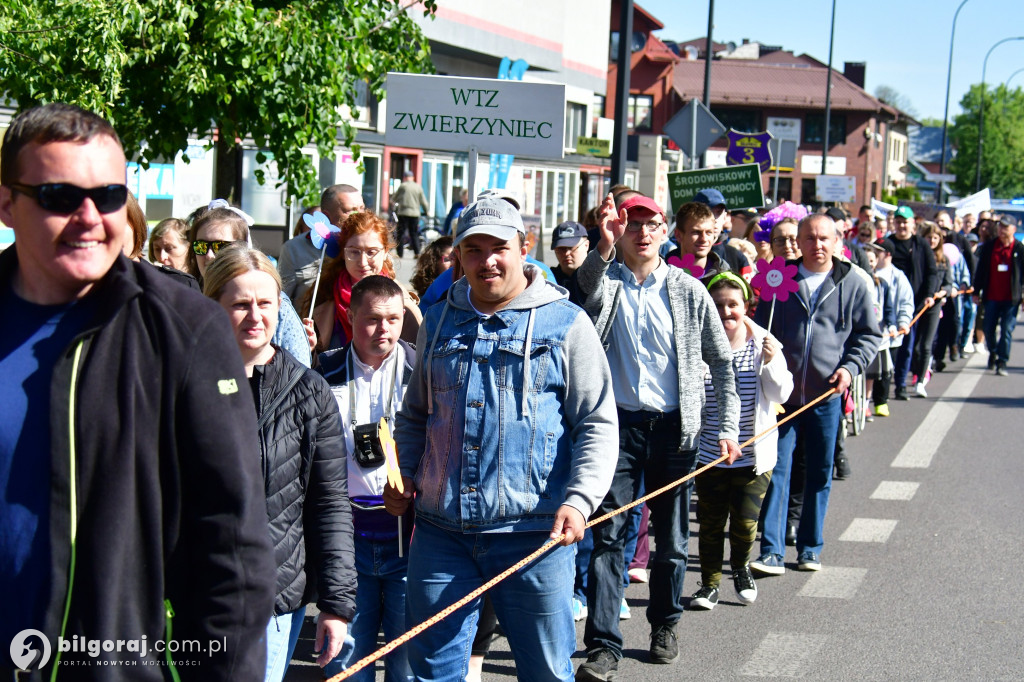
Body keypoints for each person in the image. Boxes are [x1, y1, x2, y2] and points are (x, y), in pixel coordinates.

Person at [0, 102, 275, 679]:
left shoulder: (184, 328)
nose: (89, 217)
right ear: (7, 202)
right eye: (58, 197)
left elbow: (230, 550)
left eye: (107, 196)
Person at [385, 198, 618, 681]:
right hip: (440, 531)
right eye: (473, 250)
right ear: (458, 256)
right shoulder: (439, 321)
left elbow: (597, 421)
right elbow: (414, 416)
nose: (487, 260)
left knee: (546, 673)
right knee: (432, 672)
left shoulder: (568, 323)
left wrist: (580, 501)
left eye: (499, 248)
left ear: (524, 248)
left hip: (534, 535)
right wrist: (404, 473)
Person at [575, 192, 740, 680]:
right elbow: (584, 292)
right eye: (632, 224)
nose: (642, 232)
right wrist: (602, 246)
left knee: (670, 539)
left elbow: (722, 366)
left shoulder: (689, 290)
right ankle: (603, 644)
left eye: (652, 224)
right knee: (608, 535)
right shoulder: (606, 281)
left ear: (666, 232)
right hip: (618, 429)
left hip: (674, 431)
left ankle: (665, 624)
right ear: (619, 231)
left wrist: (726, 426)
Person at [203, 246, 354, 682]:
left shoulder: (310, 393)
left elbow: (330, 504)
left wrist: (336, 604)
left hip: (272, 599)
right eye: (240, 304)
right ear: (213, 307)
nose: (255, 316)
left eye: (265, 303)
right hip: (193, 594)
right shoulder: (180, 381)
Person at [750, 214, 880, 576]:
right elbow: (761, 328)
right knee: (777, 471)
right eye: (809, 238)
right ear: (799, 241)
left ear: (838, 241)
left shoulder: (854, 281)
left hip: (826, 396)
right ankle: (772, 551)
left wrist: (849, 369)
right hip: (782, 398)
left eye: (824, 238)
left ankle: (810, 548)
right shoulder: (780, 277)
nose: (816, 245)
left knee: (819, 473)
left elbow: (869, 336)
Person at [318, 275, 415, 681]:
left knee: (407, 662)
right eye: (373, 319)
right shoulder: (323, 371)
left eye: (394, 319)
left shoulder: (421, 368)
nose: (385, 330)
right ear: (350, 315)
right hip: (349, 537)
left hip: (407, 535)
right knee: (347, 664)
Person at [690, 272, 793, 611]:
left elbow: (782, 394)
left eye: (733, 304)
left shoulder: (762, 341)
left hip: (753, 455)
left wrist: (771, 362)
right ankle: (708, 584)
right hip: (710, 453)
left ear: (746, 305)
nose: (725, 312)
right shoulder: (697, 344)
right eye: (717, 305)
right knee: (710, 523)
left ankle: (740, 567)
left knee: (746, 524)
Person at [186, 200, 313, 366]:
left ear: (242, 246)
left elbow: (300, 375)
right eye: (201, 246)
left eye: (219, 246)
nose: (209, 255)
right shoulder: (185, 300)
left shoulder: (273, 303)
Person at [305, 211, 421, 352]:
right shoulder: (323, 294)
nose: (362, 262)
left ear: (385, 252)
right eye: (354, 252)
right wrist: (308, 347)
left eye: (371, 252)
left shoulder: (403, 303)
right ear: (343, 253)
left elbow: (415, 362)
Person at [885, 206, 937, 400]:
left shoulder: (920, 244)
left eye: (905, 221)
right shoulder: (887, 243)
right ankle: (884, 380)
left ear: (912, 224)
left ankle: (900, 385)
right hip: (888, 301)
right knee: (888, 346)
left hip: (912, 303)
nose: (901, 225)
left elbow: (931, 271)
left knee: (908, 345)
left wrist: (929, 294)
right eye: (898, 221)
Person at [280, 186, 365, 304]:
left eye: (362, 208)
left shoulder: (373, 245)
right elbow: (282, 300)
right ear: (326, 215)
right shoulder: (294, 249)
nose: (359, 216)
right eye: (350, 210)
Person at [973, 215, 1024, 376]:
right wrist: (976, 291)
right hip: (991, 296)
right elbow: (980, 270)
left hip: (1011, 298)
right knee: (988, 328)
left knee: (1007, 330)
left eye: (1006, 227)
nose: (1002, 230)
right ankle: (993, 352)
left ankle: (1002, 361)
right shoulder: (989, 247)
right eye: (1001, 227)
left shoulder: (1019, 249)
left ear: (1014, 230)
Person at [908, 221, 952, 397]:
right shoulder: (918, 256)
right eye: (929, 237)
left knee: (926, 345)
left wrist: (943, 293)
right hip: (918, 303)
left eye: (935, 238)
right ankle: (916, 370)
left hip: (934, 305)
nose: (932, 241)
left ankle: (921, 380)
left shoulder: (943, 259)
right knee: (914, 345)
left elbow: (949, 284)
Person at [870, 239, 914, 417]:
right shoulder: (866, 274)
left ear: (887, 254)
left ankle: (881, 401)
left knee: (886, 370)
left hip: (890, 334)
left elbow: (906, 302)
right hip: (871, 333)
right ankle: (865, 401)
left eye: (878, 251)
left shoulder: (898, 277)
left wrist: (903, 322)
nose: (874, 254)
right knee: (869, 371)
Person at [667, 201, 741, 284]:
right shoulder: (662, 274)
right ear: (678, 235)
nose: (704, 239)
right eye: (696, 232)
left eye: (709, 232)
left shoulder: (725, 277)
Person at [692, 188, 752, 278]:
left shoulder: (737, 258)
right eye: (707, 212)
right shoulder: (675, 256)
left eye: (718, 212)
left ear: (725, 217)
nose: (714, 219)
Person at [390, 170, 428, 258]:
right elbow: (423, 201)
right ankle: (417, 252)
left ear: (405, 177)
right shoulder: (418, 187)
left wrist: (393, 203)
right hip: (415, 213)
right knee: (414, 233)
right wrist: (426, 210)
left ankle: (400, 253)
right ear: (412, 177)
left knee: (401, 233)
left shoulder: (403, 186)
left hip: (403, 212)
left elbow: (394, 198)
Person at [550, 220, 588, 304]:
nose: (566, 253)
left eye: (571, 247)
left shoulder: (598, 278)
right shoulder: (549, 280)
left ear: (586, 245)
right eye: (561, 248)